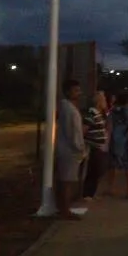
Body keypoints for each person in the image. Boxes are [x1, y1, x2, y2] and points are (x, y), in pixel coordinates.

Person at [55, 79, 86, 220]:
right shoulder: (68, 109)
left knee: (66, 181)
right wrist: (79, 147)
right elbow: (71, 132)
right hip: (69, 151)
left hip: (68, 149)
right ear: (68, 91)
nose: (79, 93)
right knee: (67, 182)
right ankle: (65, 210)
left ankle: (63, 207)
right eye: (76, 90)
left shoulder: (68, 107)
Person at [81, 91, 109, 200]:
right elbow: (85, 129)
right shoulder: (92, 113)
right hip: (94, 147)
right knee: (94, 170)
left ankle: (91, 193)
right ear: (99, 102)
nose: (105, 102)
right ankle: (87, 194)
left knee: (98, 170)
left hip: (99, 147)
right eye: (104, 100)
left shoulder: (99, 114)